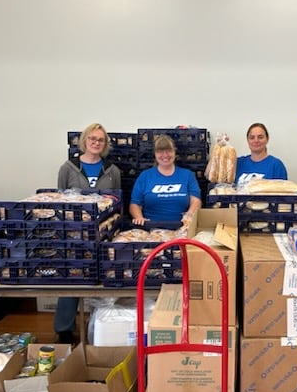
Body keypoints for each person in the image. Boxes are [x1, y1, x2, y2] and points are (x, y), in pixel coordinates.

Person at [54, 122, 121, 344]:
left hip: (102, 231)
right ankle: (64, 329)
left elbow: (117, 202)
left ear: (105, 144)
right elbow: (61, 201)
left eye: (100, 140)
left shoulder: (112, 170)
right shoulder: (68, 167)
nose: (96, 143)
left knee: (103, 275)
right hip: (75, 233)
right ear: (84, 141)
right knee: (71, 275)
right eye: (92, 139)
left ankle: (101, 324)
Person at [129, 134, 201, 225]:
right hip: (151, 229)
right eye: (160, 151)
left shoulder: (187, 175)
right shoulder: (145, 176)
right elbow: (134, 204)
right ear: (155, 154)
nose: (165, 155)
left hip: (181, 227)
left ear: (174, 152)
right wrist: (139, 218)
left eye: (169, 151)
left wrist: (189, 216)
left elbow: (196, 201)